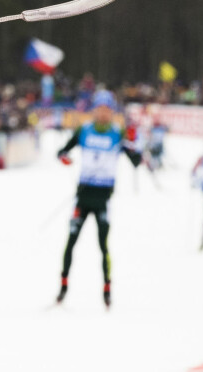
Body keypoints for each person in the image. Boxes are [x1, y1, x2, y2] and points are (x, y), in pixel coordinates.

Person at [55, 90, 141, 308]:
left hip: (103, 197)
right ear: (94, 110)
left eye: (107, 110)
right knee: (70, 242)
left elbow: (136, 160)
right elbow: (62, 152)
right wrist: (64, 158)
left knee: (103, 245)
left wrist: (133, 141)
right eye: (100, 109)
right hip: (83, 195)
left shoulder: (117, 133)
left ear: (111, 112)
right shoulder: (84, 130)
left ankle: (107, 289)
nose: (103, 114)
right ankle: (63, 287)